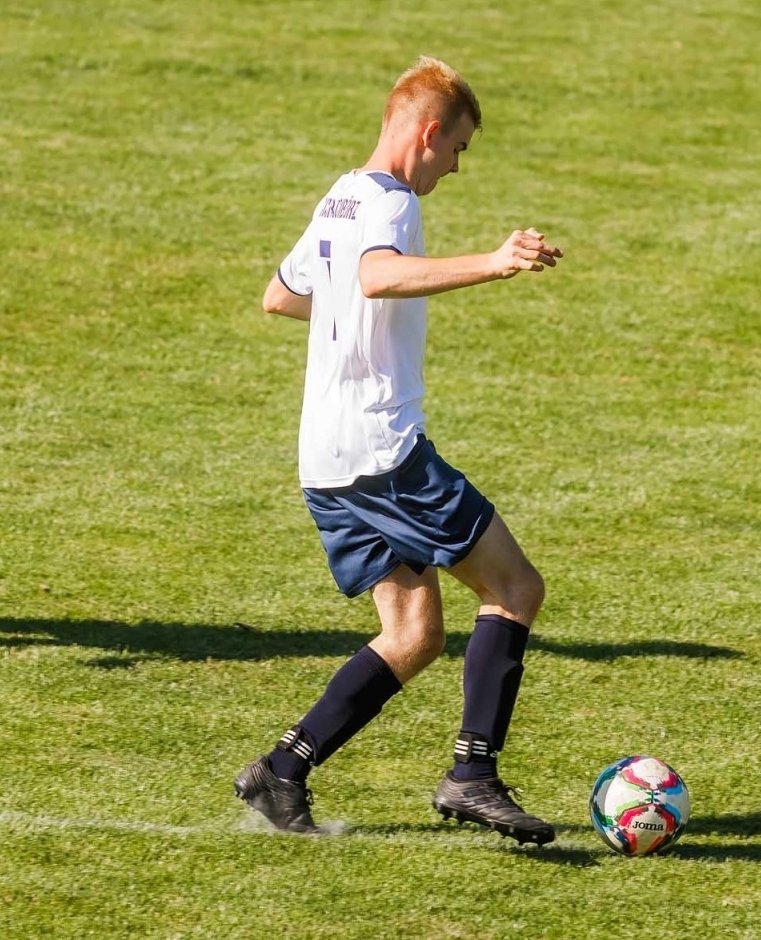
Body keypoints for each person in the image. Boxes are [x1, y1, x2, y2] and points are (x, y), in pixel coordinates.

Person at [235, 57, 563, 844]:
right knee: (515, 586)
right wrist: (493, 261)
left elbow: (281, 294)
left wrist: (347, 300)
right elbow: (377, 278)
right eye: (457, 149)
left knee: (414, 634)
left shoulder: (339, 194)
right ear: (427, 133)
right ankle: (472, 774)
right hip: (383, 451)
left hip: (326, 456)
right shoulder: (388, 203)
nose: (455, 166)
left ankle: (282, 771)